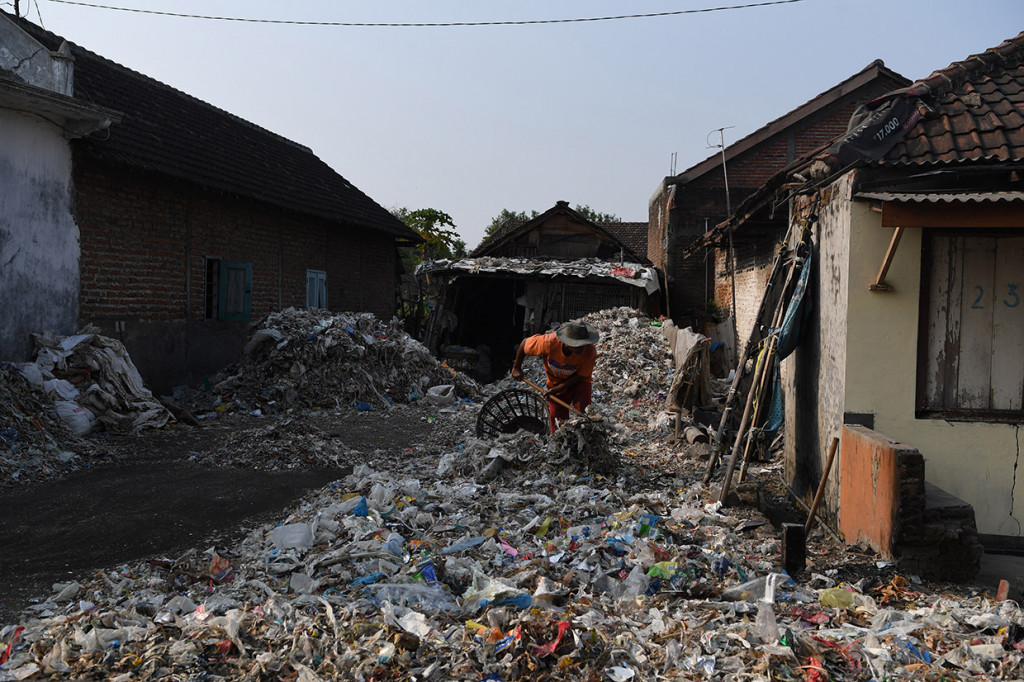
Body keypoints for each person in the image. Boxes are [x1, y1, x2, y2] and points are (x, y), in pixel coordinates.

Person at [511, 319, 600, 433]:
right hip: (555, 382)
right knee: (559, 425)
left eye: (584, 345)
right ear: (568, 343)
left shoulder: (589, 350)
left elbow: (580, 375)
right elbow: (524, 344)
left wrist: (557, 389)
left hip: (578, 382)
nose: (582, 349)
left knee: (584, 416)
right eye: (578, 346)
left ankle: (586, 437)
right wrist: (516, 367)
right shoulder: (549, 342)